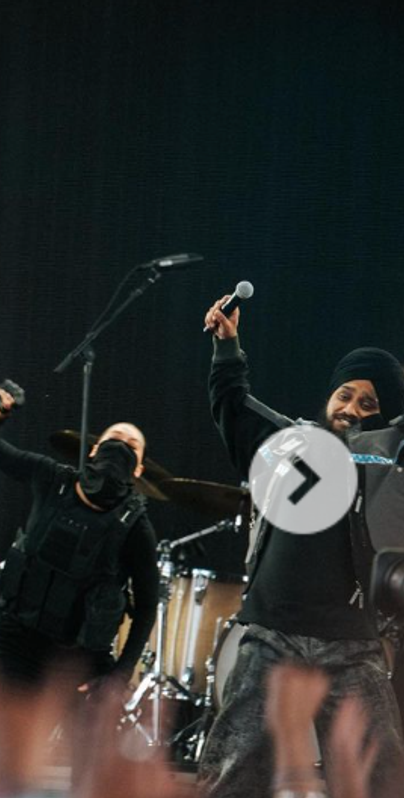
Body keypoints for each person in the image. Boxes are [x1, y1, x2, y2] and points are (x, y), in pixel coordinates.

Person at [197, 296, 404, 797]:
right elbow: (235, 407)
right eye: (345, 394)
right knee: (232, 774)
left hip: (353, 645)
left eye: (368, 404)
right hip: (273, 636)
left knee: (381, 775)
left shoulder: (389, 469)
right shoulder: (292, 445)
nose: (350, 408)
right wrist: (227, 346)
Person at [0, 385, 158, 691]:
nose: (121, 447)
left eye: (131, 447)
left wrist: (119, 675)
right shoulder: (51, 478)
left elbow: (148, 605)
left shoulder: (135, 527)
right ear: (94, 450)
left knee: (94, 727)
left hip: (78, 659)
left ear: (138, 469)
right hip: (16, 639)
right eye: (114, 440)